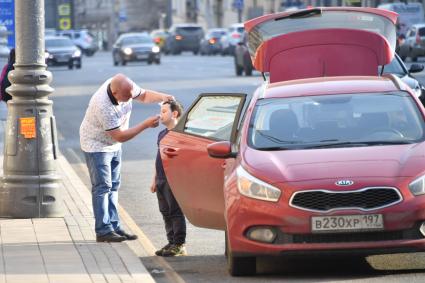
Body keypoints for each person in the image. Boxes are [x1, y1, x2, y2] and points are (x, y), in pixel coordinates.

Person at [80, 73, 174, 243]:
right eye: (126, 97)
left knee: (114, 186)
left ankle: (114, 227)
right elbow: (120, 136)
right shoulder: (103, 105)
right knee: (102, 187)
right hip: (96, 145)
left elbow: (144, 95)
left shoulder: (125, 87)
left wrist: (163, 96)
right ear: (115, 93)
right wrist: (145, 125)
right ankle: (103, 231)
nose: (130, 99)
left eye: (131, 95)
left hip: (113, 145)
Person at [150, 100, 187, 257]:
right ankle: (171, 241)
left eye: (164, 111)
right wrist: (154, 179)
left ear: (175, 113)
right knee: (165, 211)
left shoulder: (182, 134)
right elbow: (158, 157)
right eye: (161, 111)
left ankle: (179, 244)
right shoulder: (162, 134)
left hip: (174, 179)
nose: (161, 114)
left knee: (175, 211)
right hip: (161, 180)